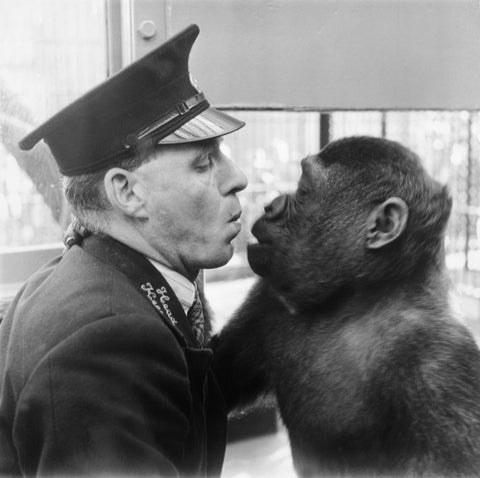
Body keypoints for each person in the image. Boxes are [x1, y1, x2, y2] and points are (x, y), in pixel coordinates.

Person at [0, 24, 247, 477]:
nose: (236, 178)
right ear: (128, 193)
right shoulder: (108, 341)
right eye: (203, 161)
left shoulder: (88, 276)